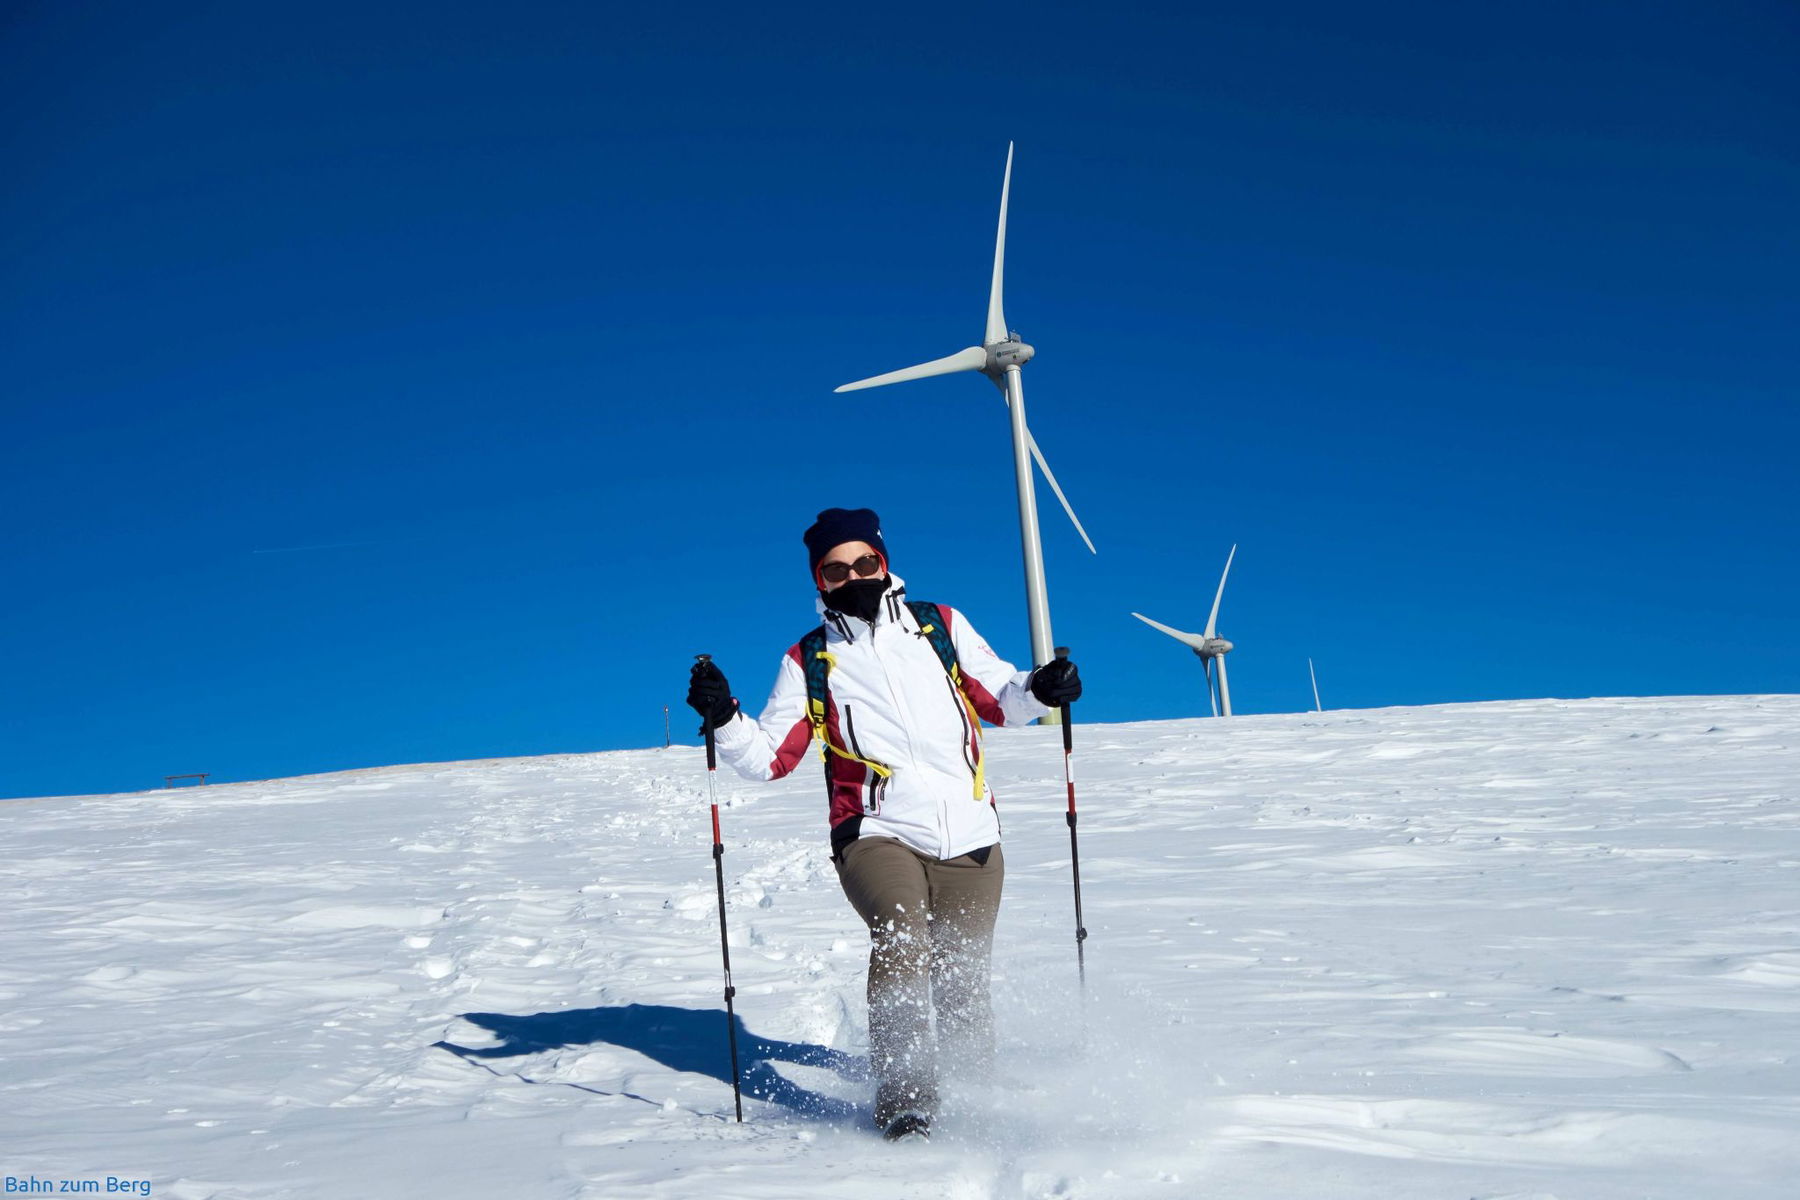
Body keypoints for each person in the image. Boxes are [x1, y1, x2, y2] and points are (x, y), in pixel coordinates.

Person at [685, 507, 1082, 1141]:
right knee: (901, 940)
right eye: (835, 569)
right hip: (873, 831)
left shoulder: (938, 626)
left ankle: (974, 1087)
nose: (853, 576)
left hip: (971, 833)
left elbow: (1000, 696)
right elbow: (770, 758)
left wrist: (1044, 687)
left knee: (962, 971)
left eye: (863, 563)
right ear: (820, 581)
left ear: (884, 563)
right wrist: (725, 717)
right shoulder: (810, 660)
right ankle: (905, 1100)